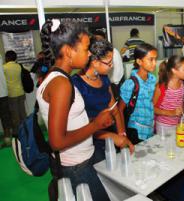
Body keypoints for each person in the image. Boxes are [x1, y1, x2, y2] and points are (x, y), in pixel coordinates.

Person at [37, 19, 113, 201]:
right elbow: (57, 141)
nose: (88, 55)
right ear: (69, 51)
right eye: (86, 49)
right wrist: (96, 125)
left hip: (81, 159)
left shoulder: (58, 77)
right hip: (76, 166)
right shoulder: (61, 83)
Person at [72, 38, 134, 162]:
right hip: (90, 140)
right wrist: (111, 137)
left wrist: (121, 134)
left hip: (112, 135)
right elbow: (78, 127)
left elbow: (114, 109)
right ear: (95, 62)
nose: (111, 66)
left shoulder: (104, 78)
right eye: (109, 63)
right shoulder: (76, 84)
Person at [118, 43, 157, 144]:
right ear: (139, 61)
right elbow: (119, 109)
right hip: (136, 131)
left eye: (155, 59)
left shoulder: (152, 80)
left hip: (150, 129)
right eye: (151, 59)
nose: (154, 63)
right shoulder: (130, 84)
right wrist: (122, 134)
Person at [153, 55, 184, 133]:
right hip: (164, 126)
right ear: (174, 70)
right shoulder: (161, 87)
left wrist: (183, 117)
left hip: (178, 124)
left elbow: (180, 103)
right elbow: (152, 109)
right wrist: (170, 113)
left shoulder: (182, 84)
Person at [92, 29, 124, 99]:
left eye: (100, 40)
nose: (98, 42)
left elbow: (116, 72)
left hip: (114, 83)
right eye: (96, 40)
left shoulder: (110, 52)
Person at [3, 50, 26, 137]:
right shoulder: (18, 66)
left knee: (14, 115)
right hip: (21, 92)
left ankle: (17, 133)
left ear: (7, 57)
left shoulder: (4, 67)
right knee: (23, 113)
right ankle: (26, 130)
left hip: (11, 94)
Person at [0, 54, 13, 148]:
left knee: (5, 117)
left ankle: (7, 138)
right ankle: (7, 138)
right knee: (5, 117)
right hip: (3, 93)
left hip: (3, 93)